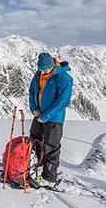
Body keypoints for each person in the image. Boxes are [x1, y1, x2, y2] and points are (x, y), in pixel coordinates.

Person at [28, 52, 73, 187]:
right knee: (34, 140)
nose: (43, 72)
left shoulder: (64, 78)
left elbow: (63, 102)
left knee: (51, 146)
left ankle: (49, 177)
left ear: (53, 65)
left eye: (46, 69)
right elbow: (32, 92)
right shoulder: (38, 74)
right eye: (41, 69)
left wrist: (45, 116)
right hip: (38, 114)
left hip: (54, 118)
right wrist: (34, 109)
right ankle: (35, 167)